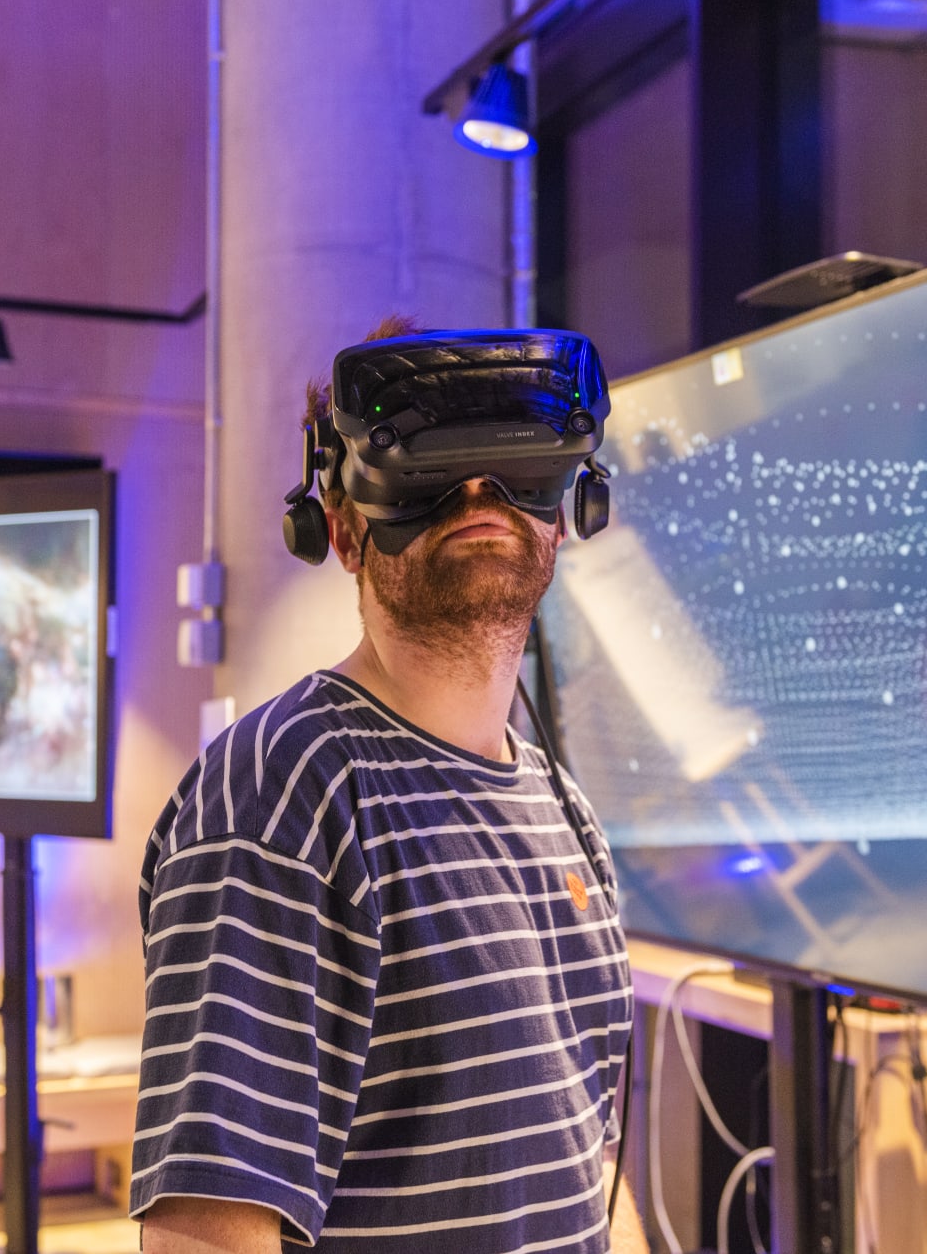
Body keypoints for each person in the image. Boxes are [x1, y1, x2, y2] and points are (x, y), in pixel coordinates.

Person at [130, 320, 642, 1253]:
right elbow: (206, 1233)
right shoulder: (282, 793)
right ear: (340, 530)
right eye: (428, 467)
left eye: (508, 459)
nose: (478, 491)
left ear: (566, 511)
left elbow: (589, 1160)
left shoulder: (562, 809)